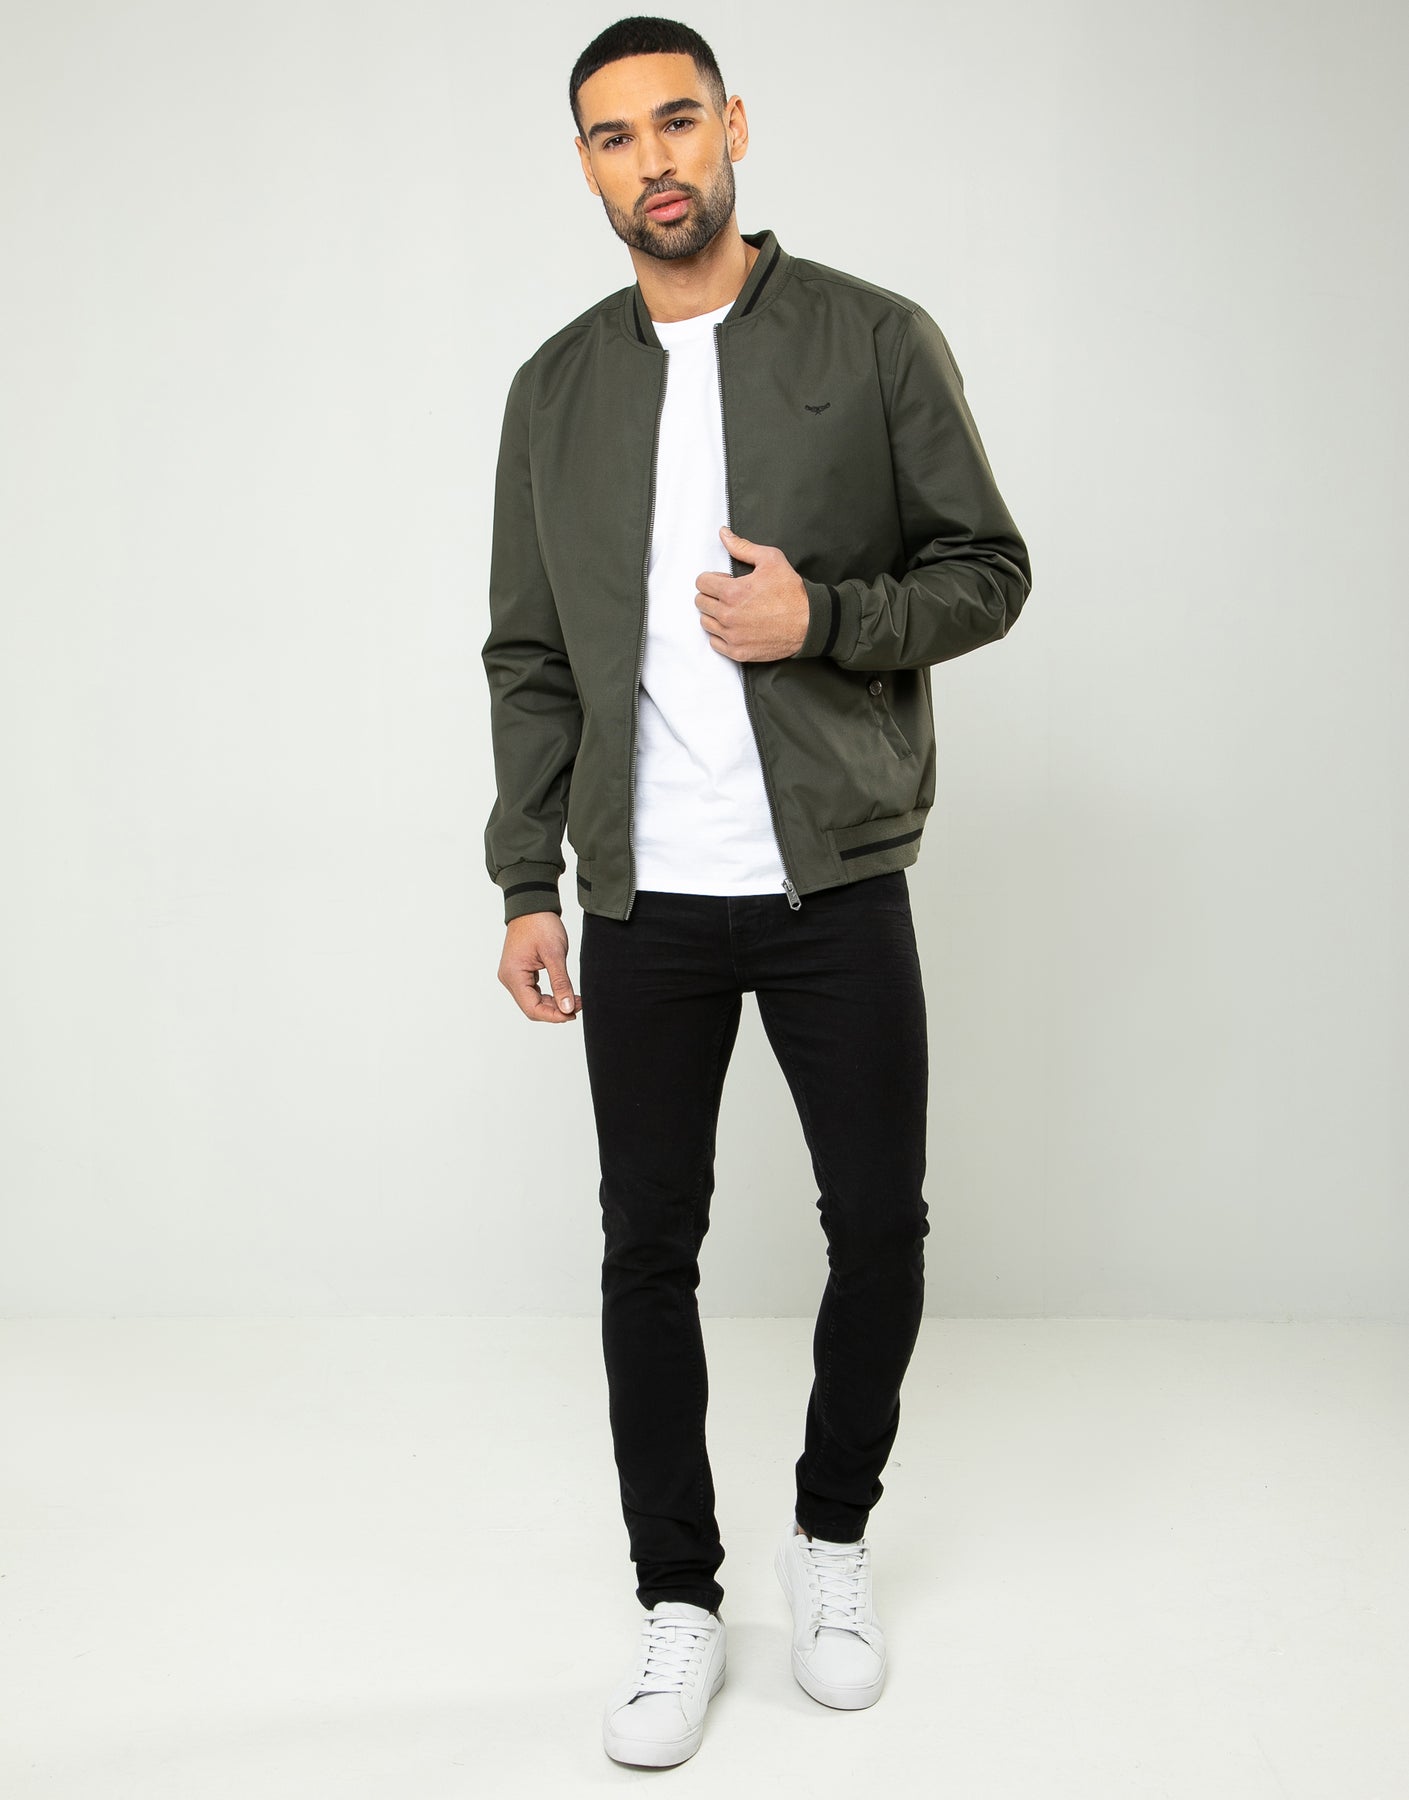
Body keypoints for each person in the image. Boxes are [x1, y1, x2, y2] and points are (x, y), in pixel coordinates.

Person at [481, 14, 1032, 1769]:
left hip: (831, 883)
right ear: (585, 166)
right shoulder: (556, 389)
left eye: (676, 122)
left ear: (732, 127)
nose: (652, 161)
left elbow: (988, 568)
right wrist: (527, 875)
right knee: (646, 1249)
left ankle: (832, 1537)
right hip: (642, 899)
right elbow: (528, 657)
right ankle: (677, 1597)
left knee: (879, 1230)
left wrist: (826, 620)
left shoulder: (869, 338)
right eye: (612, 136)